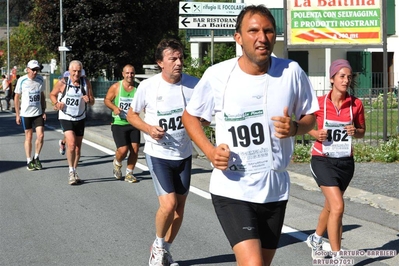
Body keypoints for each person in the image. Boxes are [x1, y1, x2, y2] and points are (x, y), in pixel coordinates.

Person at [182, 5, 319, 266]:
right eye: (253, 30)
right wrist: (210, 152)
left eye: (268, 31)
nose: (262, 37)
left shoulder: (291, 72)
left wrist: (294, 128)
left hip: (274, 188)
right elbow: (190, 117)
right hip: (233, 187)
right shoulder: (218, 75)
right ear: (238, 37)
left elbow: (310, 117)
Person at [126, 39, 199, 266]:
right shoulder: (148, 86)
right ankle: (157, 247)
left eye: (180, 58)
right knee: (168, 205)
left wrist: (202, 123)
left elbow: (204, 117)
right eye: (173, 59)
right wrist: (148, 128)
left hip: (183, 154)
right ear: (160, 63)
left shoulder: (194, 84)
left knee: (179, 210)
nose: (179, 63)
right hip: (158, 154)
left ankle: (166, 249)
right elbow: (131, 114)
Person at [305, 59, 366, 259]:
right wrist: (315, 134)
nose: (346, 80)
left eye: (349, 77)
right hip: (322, 159)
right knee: (338, 206)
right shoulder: (319, 103)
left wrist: (354, 130)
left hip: (345, 162)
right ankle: (337, 257)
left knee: (331, 206)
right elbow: (302, 124)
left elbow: (362, 132)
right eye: (341, 76)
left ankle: (315, 238)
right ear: (332, 79)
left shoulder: (356, 104)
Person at [50, 60, 95, 185]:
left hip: (80, 117)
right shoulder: (63, 83)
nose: (76, 74)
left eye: (79, 71)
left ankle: (75, 170)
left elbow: (92, 100)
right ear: (69, 71)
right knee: (71, 143)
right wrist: (56, 103)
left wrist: (88, 100)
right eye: (74, 71)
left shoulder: (85, 83)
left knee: (77, 149)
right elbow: (52, 94)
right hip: (65, 116)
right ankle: (70, 171)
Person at [104, 64, 141, 183]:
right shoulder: (116, 87)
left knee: (135, 149)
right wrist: (114, 108)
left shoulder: (138, 88)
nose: (130, 75)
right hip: (119, 123)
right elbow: (107, 100)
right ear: (123, 74)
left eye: (132, 73)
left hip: (133, 122)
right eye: (127, 73)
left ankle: (129, 173)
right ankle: (117, 162)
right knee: (123, 150)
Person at [14, 60, 46, 171]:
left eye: (37, 70)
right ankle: (29, 160)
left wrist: (44, 110)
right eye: (33, 70)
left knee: (41, 135)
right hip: (26, 113)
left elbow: (42, 95)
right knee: (29, 137)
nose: (35, 72)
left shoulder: (41, 79)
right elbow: (17, 97)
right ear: (27, 69)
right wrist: (17, 114)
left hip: (38, 112)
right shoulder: (21, 80)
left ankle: (36, 157)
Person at [57, 69, 86, 156]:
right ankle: (70, 154)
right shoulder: (64, 83)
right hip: (65, 114)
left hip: (78, 115)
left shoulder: (83, 85)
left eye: (82, 76)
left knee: (71, 136)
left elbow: (90, 100)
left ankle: (63, 143)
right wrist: (57, 104)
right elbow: (53, 96)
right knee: (71, 139)